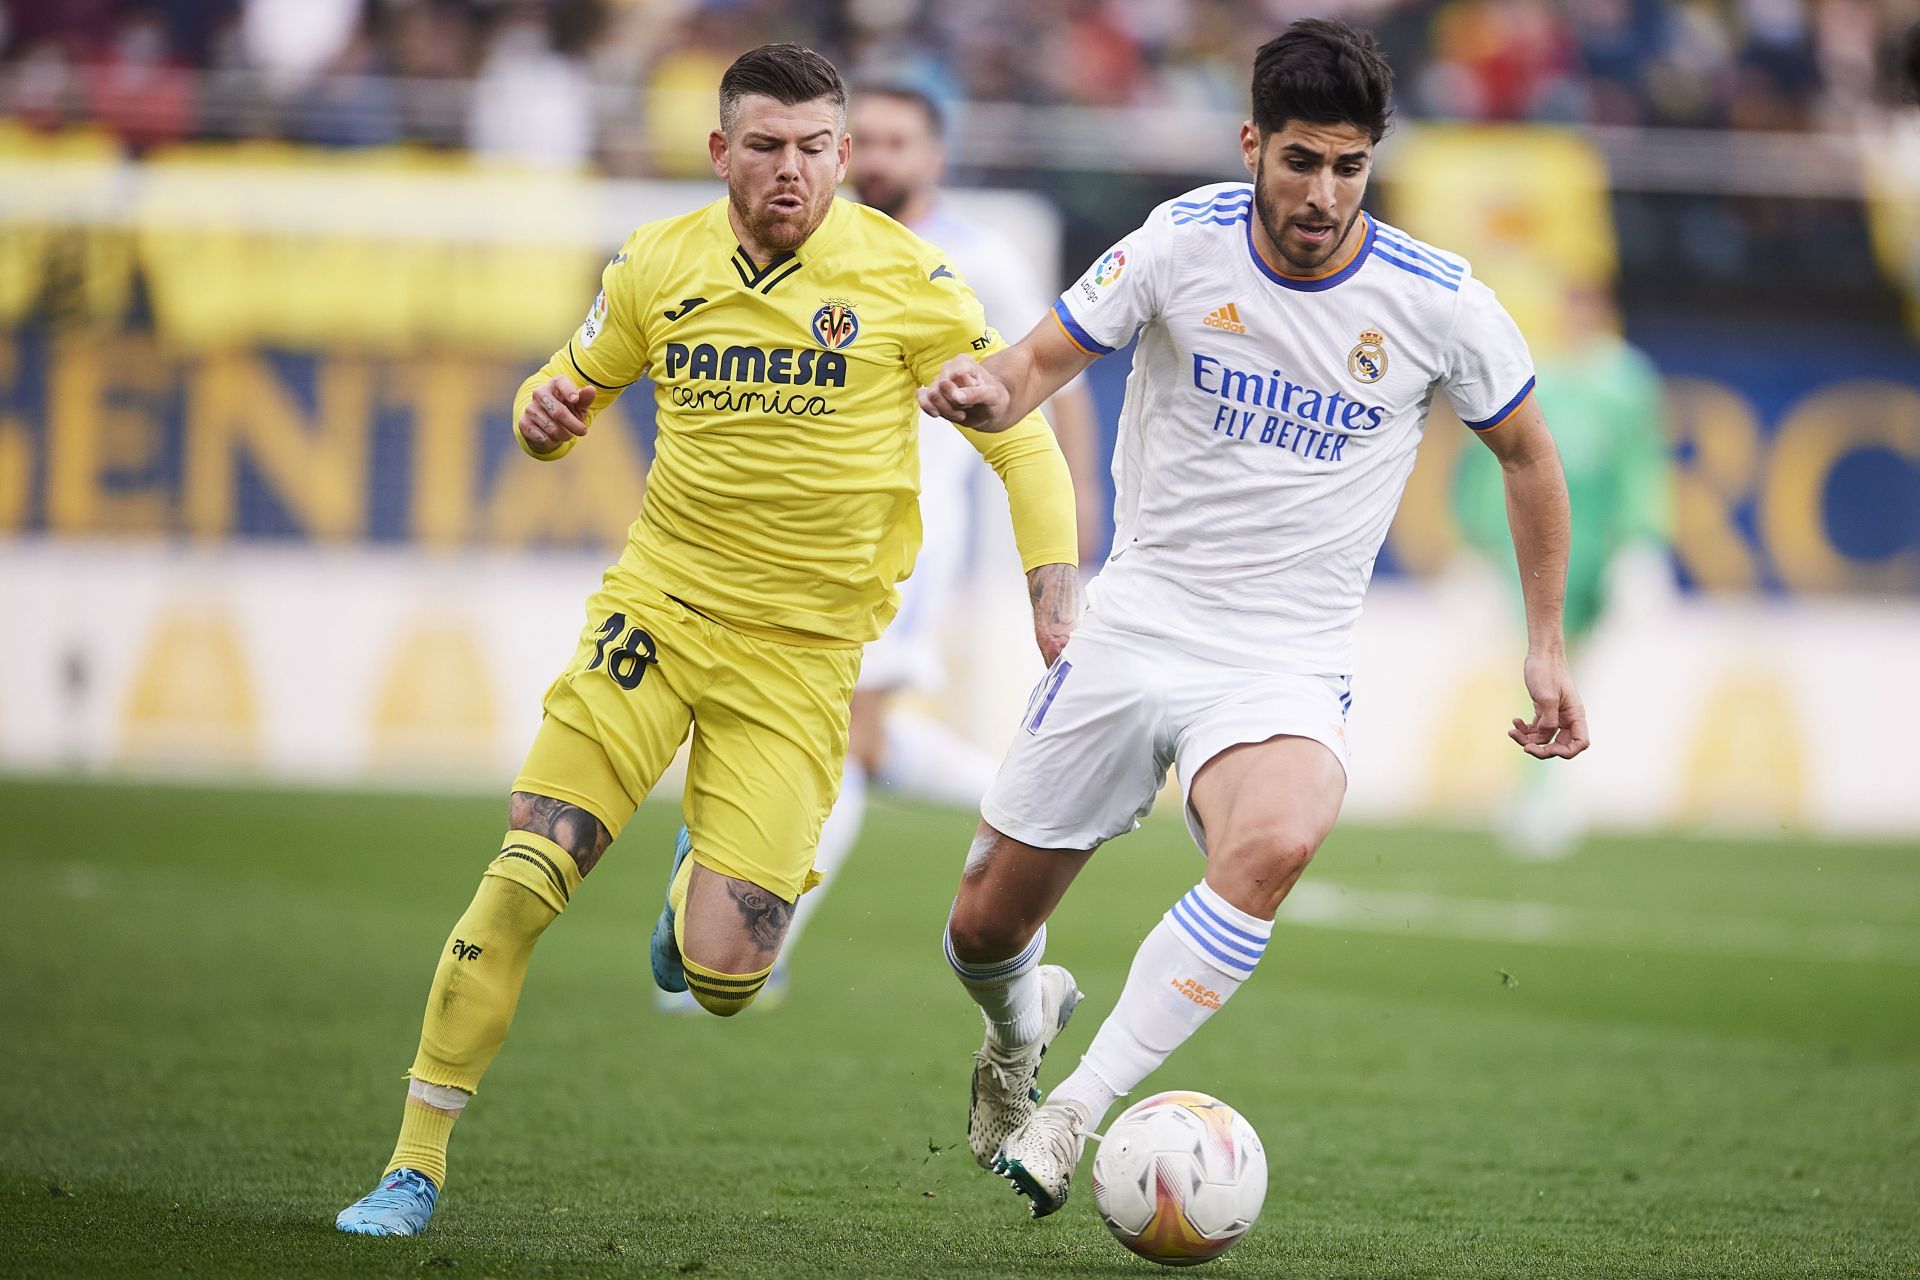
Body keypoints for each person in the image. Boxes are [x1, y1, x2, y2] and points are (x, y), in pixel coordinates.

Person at [334, 43, 1080, 1237]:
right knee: (528, 871)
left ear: (842, 155)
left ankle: (697, 884)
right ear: (721, 150)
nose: (793, 171)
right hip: (656, 614)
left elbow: (1021, 438)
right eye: (768, 147)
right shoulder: (655, 262)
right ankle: (413, 1162)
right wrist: (541, 413)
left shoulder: (911, 279)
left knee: (729, 976)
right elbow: (568, 391)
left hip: (800, 656)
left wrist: (1053, 583)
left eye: (815, 149)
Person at [918, 18, 1591, 1218]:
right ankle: (1016, 1037)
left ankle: (1074, 1110)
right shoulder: (1180, 242)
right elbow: (1032, 364)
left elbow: (1531, 458)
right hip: (1135, 626)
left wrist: (1544, 644)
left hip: (1285, 654)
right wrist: (984, 391)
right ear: (1252, 146)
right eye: (1300, 162)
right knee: (982, 928)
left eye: (1349, 166)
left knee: (1277, 837)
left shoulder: (1439, 303)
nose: (1324, 192)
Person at [764, 83, 1106, 998]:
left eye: (896, 142)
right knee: (858, 745)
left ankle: (755, 953)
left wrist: (1080, 495)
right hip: (804, 527)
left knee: (841, 738)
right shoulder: (812, 250)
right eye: (861, 139)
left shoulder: (980, 261)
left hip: (908, 529)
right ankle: (1045, 802)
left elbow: (1054, 378)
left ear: (935, 158)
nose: (876, 158)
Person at [1451, 278, 1669, 855]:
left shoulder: (1626, 381)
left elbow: (1640, 464)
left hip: (1593, 551)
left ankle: (1546, 785)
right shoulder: (1534, 368)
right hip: (1525, 553)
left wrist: (1641, 542)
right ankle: (1537, 788)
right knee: (1531, 666)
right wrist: (1472, 540)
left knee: (1568, 668)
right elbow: (1492, 460)